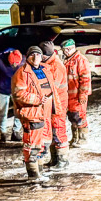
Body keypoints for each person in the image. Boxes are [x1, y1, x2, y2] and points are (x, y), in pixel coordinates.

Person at [11, 46, 53, 178]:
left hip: (45, 113)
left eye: (38, 55)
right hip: (33, 114)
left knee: (44, 144)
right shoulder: (22, 73)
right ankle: (33, 175)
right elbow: (19, 94)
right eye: (32, 55)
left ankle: (39, 171)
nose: (36, 58)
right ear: (27, 57)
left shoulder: (45, 70)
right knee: (32, 145)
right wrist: (38, 99)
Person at [39, 41, 70, 169]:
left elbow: (53, 88)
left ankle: (63, 161)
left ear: (45, 55)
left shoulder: (56, 66)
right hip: (53, 104)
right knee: (53, 132)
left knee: (58, 131)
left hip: (58, 105)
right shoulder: (49, 64)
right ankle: (55, 159)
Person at [61, 38, 91, 146]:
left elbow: (85, 79)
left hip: (77, 95)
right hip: (69, 95)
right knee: (72, 116)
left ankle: (82, 138)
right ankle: (75, 138)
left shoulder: (80, 60)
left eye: (67, 50)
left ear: (72, 48)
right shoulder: (67, 60)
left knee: (80, 116)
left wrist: (83, 94)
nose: (65, 52)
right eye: (64, 50)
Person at [0, 48, 23, 143]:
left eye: (16, 64)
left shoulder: (23, 62)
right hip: (3, 89)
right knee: (2, 111)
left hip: (17, 90)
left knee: (19, 111)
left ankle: (16, 131)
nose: (14, 66)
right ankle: (3, 132)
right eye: (12, 64)